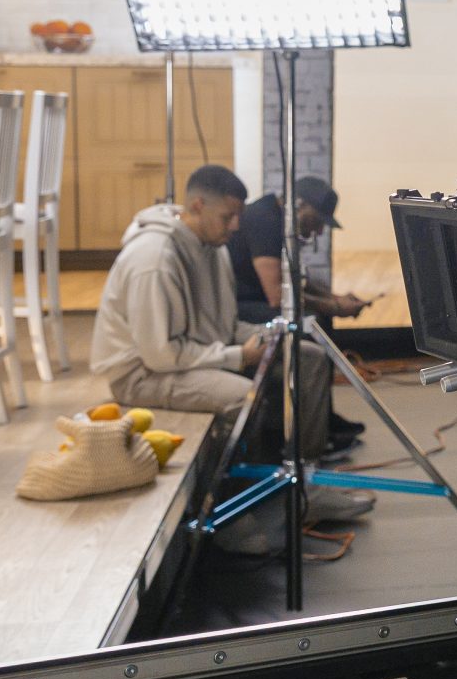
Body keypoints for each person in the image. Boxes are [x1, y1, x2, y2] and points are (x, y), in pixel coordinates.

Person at [91, 163, 367, 529]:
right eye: (228, 216)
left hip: (185, 357)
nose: (237, 226)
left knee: (308, 358)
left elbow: (222, 326)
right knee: (242, 395)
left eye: (238, 215)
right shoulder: (154, 260)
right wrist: (239, 356)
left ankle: (303, 485)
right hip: (141, 374)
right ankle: (231, 514)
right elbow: (160, 356)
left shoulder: (213, 247)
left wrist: (268, 334)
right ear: (198, 206)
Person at [229, 174, 371, 453]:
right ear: (299, 205)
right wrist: (334, 306)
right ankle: (310, 438)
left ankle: (322, 418)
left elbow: (297, 278)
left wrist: (335, 298)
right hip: (242, 309)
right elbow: (277, 296)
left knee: (322, 319)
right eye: (317, 221)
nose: (318, 231)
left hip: (257, 303)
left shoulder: (280, 217)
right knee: (311, 327)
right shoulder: (265, 221)